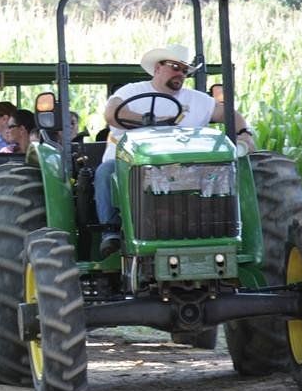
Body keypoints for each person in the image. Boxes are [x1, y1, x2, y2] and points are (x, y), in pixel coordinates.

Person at [95, 44, 256, 257]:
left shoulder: (197, 100)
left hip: (185, 168)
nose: (180, 73)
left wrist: (244, 132)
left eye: (184, 70)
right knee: (106, 172)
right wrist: (148, 121)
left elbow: (228, 114)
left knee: (226, 171)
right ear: (158, 68)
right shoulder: (132, 92)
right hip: (130, 163)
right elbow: (112, 112)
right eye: (175, 67)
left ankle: (222, 228)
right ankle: (111, 231)